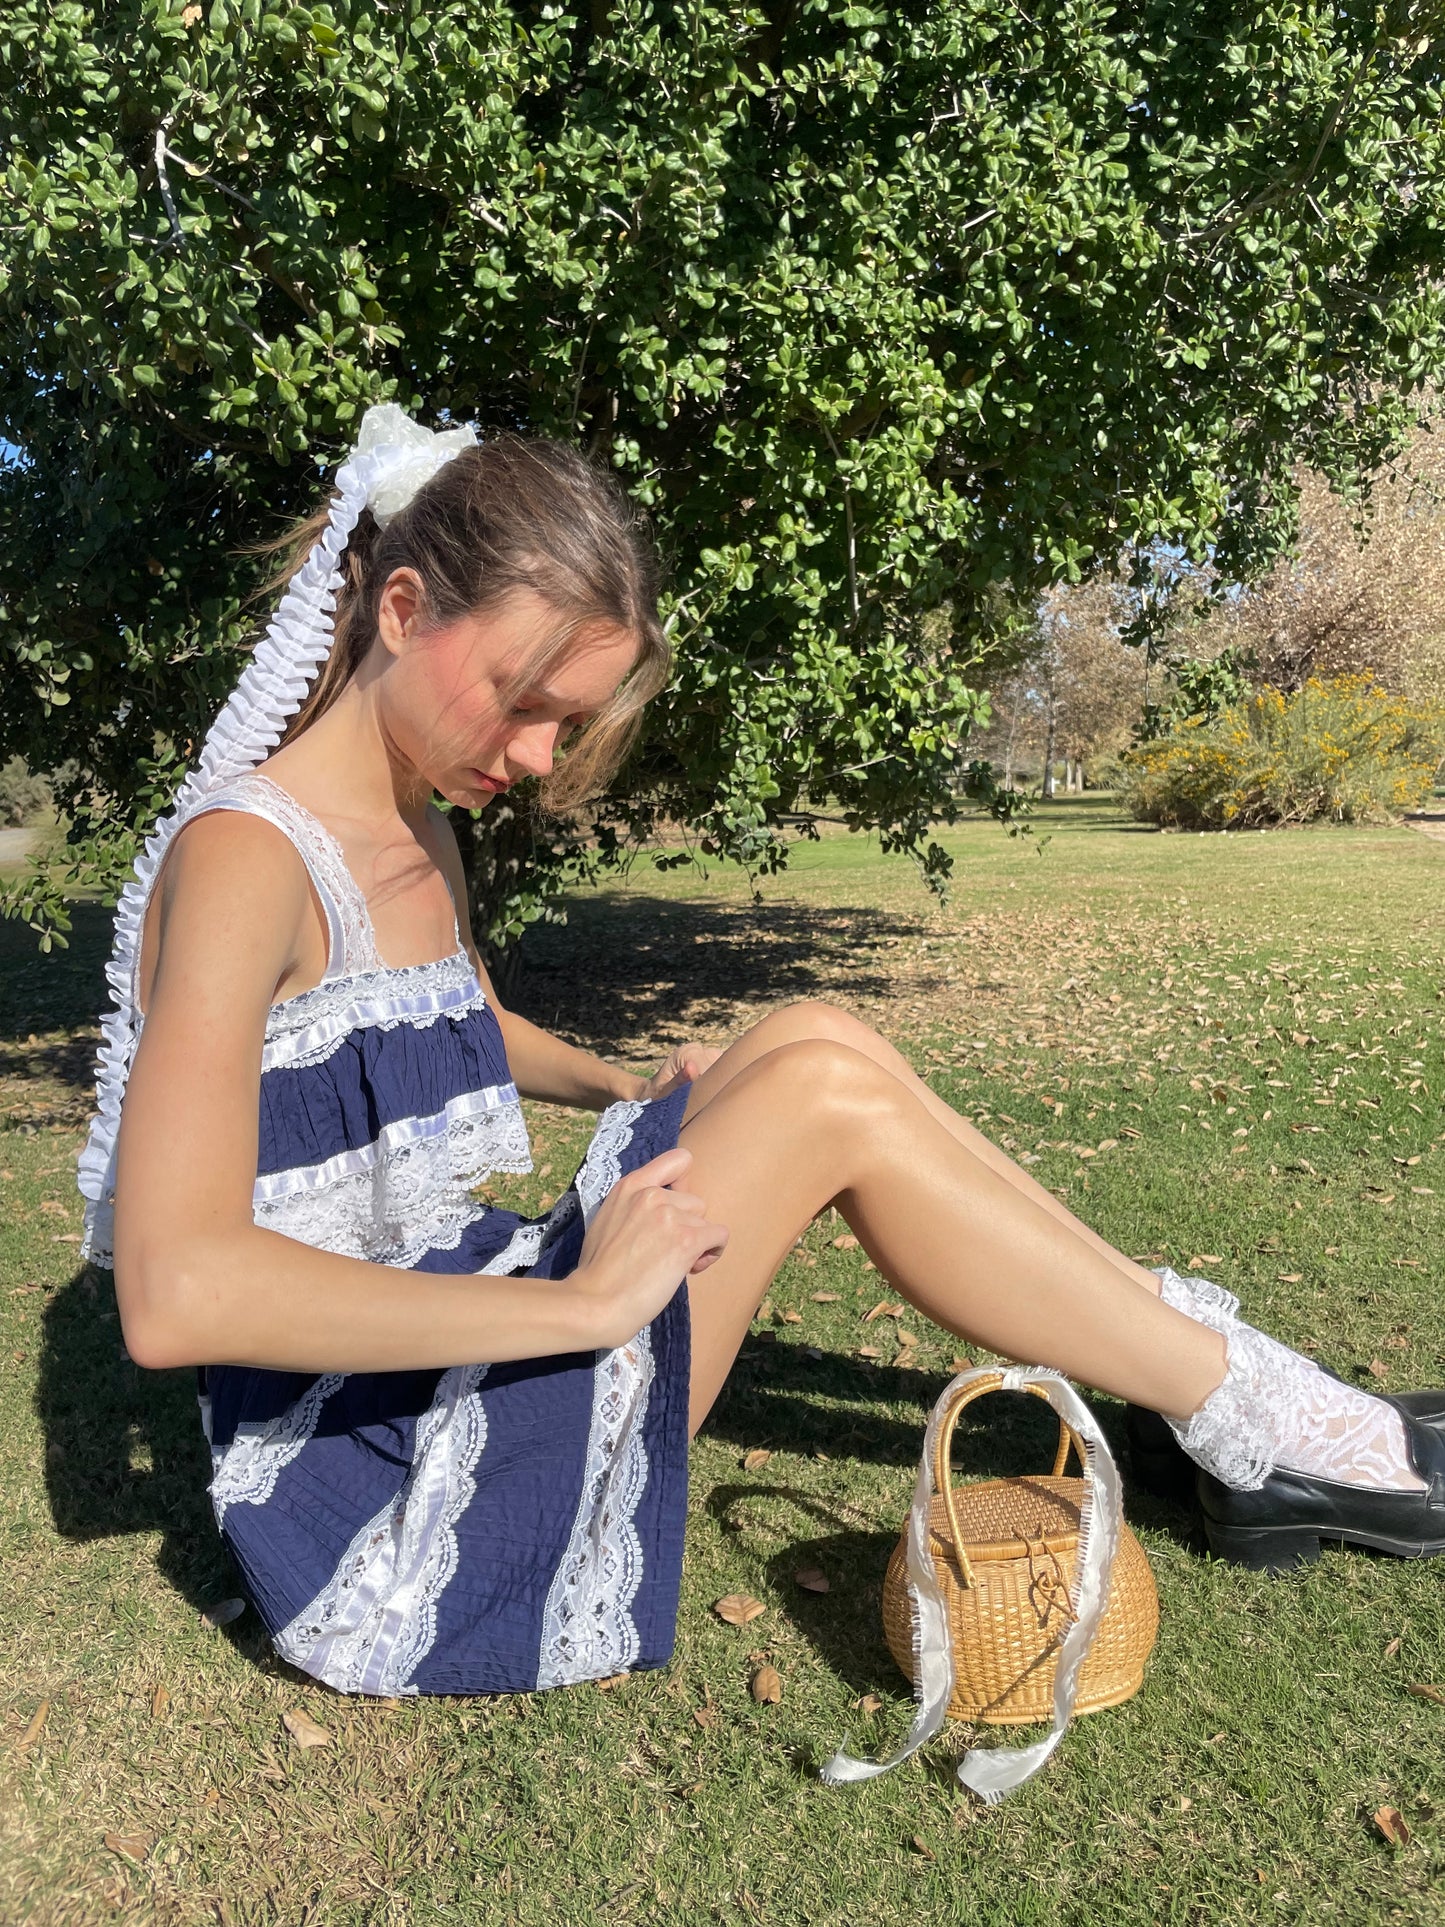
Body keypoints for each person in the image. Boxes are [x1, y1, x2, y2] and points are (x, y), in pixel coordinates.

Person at [78, 406, 1445, 1705]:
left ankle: (1220, 1380)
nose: (544, 755)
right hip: (380, 1483)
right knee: (822, 1092)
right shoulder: (244, 860)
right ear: (399, 608)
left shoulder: (415, 815)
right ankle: (1264, 1429)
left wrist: (620, 1086)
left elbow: (443, 1020)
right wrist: (579, 1310)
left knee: (812, 1036)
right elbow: (177, 1294)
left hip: (447, 1336)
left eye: (572, 721)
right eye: (524, 701)